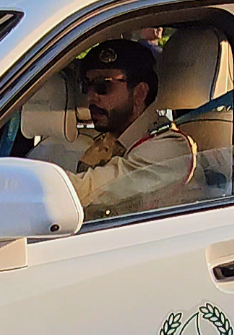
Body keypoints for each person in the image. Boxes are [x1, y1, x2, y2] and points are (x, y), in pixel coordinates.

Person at [58, 38, 195, 217]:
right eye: (86, 85)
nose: (91, 96)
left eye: (102, 85)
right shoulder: (106, 141)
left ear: (140, 93)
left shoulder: (171, 149)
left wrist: (31, 187)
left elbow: (93, 191)